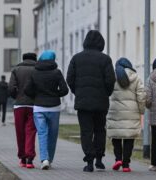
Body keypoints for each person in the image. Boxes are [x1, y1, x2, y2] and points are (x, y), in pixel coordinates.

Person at [66, 30, 116, 172]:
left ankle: (89, 162)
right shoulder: (106, 59)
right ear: (101, 43)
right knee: (100, 130)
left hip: (83, 103)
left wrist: (78, 92)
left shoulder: (76, 58)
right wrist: (106, 93)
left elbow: (70, 79)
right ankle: (99, 159)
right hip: (101, 103)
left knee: (86, 131)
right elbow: (110, 80)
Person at [25, 50, 68, 170]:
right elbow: (65, 90)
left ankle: (44, 159)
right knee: (52, 135)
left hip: (39, 107)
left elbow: (27, 90)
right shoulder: (57, 72)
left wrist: (37, 96)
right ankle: (49, 159)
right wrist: (55, 94)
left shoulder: (34, 72)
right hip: (54, 107)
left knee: (42, 134)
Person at [107, 58, 146, 172]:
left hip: (114, 111)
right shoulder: (136, 78)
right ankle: (126, 165)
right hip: (132, 112)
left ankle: (118, 159)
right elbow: (141, 96)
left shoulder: (112, 77)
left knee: (116, 135)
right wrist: (141, 110)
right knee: (129, 138)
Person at [8, 52, 37, 169]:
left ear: (23, 59)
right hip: (33, 105)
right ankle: (30, 159)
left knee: (20, 132)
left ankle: (22, 159)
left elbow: (11, 88)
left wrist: (16, 96)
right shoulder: (37, 69)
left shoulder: (16, 70)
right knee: (30, 132)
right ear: (35, 59)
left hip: (19, 105)